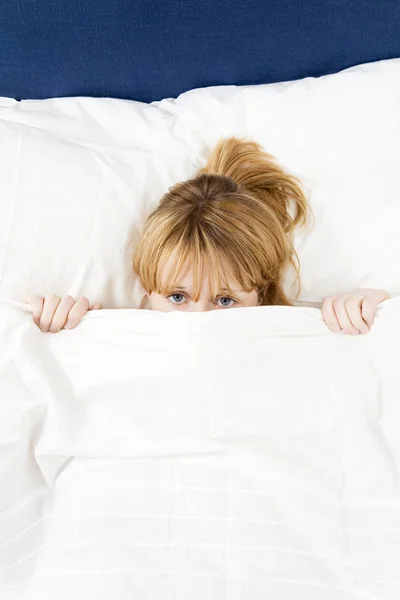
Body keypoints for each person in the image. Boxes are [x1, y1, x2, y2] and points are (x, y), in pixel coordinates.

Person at [28, 136, 390, 335]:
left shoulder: (289, 331)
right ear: (146, 289)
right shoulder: (120, 330)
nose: (198, 318)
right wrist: (64, 326)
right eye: (177, 296)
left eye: (225, 300)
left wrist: (372, 307)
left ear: (260, 296)